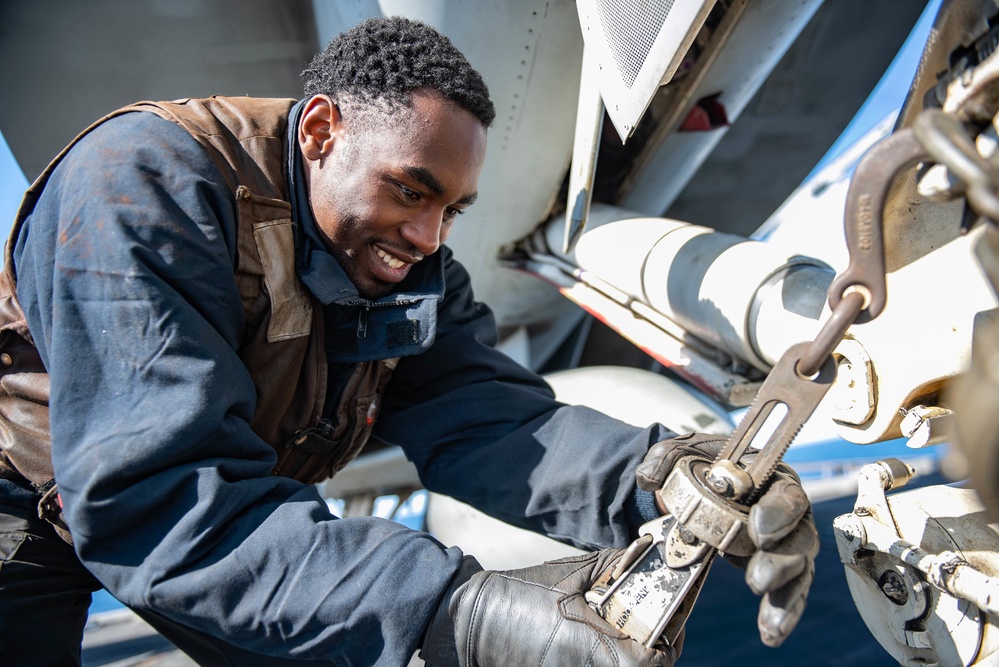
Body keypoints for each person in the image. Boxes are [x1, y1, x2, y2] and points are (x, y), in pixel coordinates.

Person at [0, 16, 817, 667]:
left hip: (231, 511)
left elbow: (486, 418)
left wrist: (662, 477)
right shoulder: (142, 183)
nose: (428, 236)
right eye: (409, 190)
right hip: (29, 504)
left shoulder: (405, 265)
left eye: (452, 209)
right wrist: (459, 608)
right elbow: (160, 495)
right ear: (321, 130)